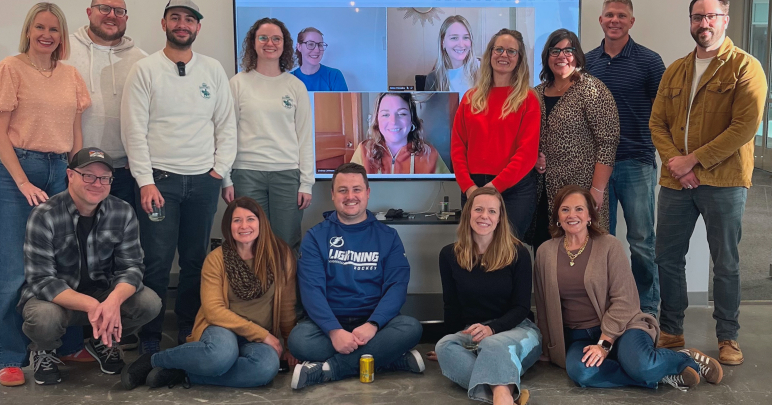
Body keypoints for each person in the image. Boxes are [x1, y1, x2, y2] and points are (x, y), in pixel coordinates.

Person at [649, 0, 768, 365]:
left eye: (711, 16)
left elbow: (744, 127)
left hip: (726, 181)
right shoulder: (676, 69)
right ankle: (671, 329)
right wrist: (676, 164)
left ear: (725, 20)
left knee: (727, 261)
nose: (704, 23)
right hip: (675, 183)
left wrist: (693, 162)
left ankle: (727, 337)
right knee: (667, 258)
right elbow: (657, 123)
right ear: (690, 22)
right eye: (698, 17)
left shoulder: (745, 67)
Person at [0, 2, 90, 387]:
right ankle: (9, 356)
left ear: (62, 36)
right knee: (13, 269)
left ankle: (64, 344)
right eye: (40, 27)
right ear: (29, 30)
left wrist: (75, 172)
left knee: (65, 262)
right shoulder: (9, 69)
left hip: (60, 169)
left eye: (54, 29)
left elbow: (76, 132)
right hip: (13, 172)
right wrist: (23, 182)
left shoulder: (71, 75)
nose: (47, 35)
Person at [121, 0, 237, 354]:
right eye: (175, 18)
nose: (182, 24)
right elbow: (133, 131)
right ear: (164, 24)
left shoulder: (213, 70)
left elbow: (226, 124)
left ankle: (189, 324)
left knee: (195, 260)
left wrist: (220, 170)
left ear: (198, 27)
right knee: (155, 260)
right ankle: (151, 335)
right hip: (161, 183)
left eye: (189, 19)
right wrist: (145, 181)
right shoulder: (145, 70)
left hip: (203, 181)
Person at [534, 185, 723, 391]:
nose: (572, 215)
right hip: (579, 337)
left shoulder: (609, 246)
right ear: (557, 217)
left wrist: (604, 344)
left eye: (579, 209)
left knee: (641, 364)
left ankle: (683, 358)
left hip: (623, 328)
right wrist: (548, 345)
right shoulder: (545, 252)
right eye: (565, 209)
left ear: (590, 215)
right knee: (582, 372)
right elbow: (544, 304)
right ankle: (660, 374)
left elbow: (626, 300)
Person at [122, 197, 298, 390]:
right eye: (236, 220)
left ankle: (184, 373)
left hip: (257, 336)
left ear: (261, 223)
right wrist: (263, 335)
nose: (244, 226)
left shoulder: (281, 255)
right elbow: (214, 311)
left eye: (250, 219)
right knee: (220, 356)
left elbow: (287, 305)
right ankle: (154, 360)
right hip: (222, 329)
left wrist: (289, 345)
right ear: (228, 226)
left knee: (265, 368)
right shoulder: (217, 259)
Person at [19, 148, 161, 385]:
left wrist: (113, 301)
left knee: (149, 303)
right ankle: (45, 350)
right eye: (88, 175)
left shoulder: (122, 211)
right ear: (70, 175)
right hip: (57, 299)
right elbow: (42, 280)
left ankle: (102, 340)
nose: (97, 183)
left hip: (103, 292)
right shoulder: (44, 215)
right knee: (43, 318)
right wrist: (94, 306)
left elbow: (132, 267)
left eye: (104, 178)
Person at [287, 163, 425, 389]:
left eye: (357, 189)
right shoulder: (315, 237)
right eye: (342, 190)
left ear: (367, 193)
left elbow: (397, 287)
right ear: (332, 195)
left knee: (411, 328)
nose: (350, 196)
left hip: (375, 324)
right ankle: (386, 358)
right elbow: (311, 291)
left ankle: (329, 370)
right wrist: (334, 331)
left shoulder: (388, 236)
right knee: (299, 341)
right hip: (328, 325)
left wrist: (372, 325)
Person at [584, 0, 666, 317]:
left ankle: (647, 310)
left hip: (637, 162)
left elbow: (664, 115)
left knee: (642, 243)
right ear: (601, 20)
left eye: (621, 15)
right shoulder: (587, 62)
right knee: (601, 243)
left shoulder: (649, 61)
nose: (614, 20)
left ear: (631, 22)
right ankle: (609, 308)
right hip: (596, 167)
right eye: (609, 15)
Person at [431, 187, 540, 405]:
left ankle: (499, 394)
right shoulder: (449, 255)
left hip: (518, 329)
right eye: (478, 209)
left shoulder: (519, 253)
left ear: (500, 218)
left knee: (492, 345)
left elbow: (521, 307)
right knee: (444, 346)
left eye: (492, 211)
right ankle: (504, 391)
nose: (484, 216)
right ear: (468, 213)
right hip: (475, 333)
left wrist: (492, 329)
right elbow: (451, 305)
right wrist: (453, 341)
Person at [224, 17, 313, 252]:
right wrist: (226, 178)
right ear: (253, 43)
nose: (269, 43)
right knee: (248, 242)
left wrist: (306, 183)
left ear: (285, 45)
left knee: (286, 242)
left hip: (286, 175)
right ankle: (253, 290)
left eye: (276, 38)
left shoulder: (295, 86)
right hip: (246, 173)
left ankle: (285, 290)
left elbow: (305, 138)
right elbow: (226, 134)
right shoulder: (237, 83)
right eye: (263, 37)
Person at [531, 29, 619, 249]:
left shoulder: (592, 90)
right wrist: (534, 157)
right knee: (546, 254)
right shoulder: (535, 93)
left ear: (578, 55)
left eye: (568, 50)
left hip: (581, 192)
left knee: (583, 253)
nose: (562, 56)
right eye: (555, 50)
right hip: (544, 192)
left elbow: (608, 143)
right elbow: (527, 137)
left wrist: (597, 191)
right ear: (547, 57)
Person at [451, 28, 540, 241]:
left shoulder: (528, 99)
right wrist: (469, 188)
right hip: (473, 188)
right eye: (498, 49)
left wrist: (493, 189)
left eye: (511, 51)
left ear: (519, 59)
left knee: (507, 254)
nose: (504, 55)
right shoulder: (470, 98)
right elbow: (457, 148)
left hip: (514, 191)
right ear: (490, 53)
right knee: (475, 252)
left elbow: (527, 154)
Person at [66, 0, 147, 212]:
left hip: (121, 171)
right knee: (72, 240)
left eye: (119, 11)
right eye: (104, 8)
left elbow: (151, 113)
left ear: (126, 18)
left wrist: (141, 153)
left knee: (118, 240)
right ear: (89, 12)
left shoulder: (142, 61)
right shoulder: (63, 50)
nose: (112, 15)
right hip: (73, 167)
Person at [351, 92, 451, 174]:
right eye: (385, 114)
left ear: (412, 119)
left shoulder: (430, 154)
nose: (393, 121)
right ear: (377, 120)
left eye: (402, 114)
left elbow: (446, 192)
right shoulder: (363, 151)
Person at [425, 15, 480, 96]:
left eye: (465, 37)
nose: (461, 45)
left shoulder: (483, 72)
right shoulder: (433, 79)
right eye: (454, 38)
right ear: (443, 43)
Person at [291, 27, 348, 91]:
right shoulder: (289, 80)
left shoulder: (334, 76)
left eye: (320, 45)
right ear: (299, 47)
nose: (317, 50)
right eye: (311, 44)